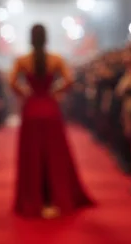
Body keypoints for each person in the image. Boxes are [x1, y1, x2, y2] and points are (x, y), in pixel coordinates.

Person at [11, 24, 94, 218]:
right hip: (50, 108)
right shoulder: (56, 59)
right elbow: (69, 80)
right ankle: (57, 197)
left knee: (32, 156)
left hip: (31, 109)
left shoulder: (22, 61)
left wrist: (25, 94)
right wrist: (55, 92)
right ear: (46, 38)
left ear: (30, 38)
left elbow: (12, 82)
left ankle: (34, 199)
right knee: (55, 155)